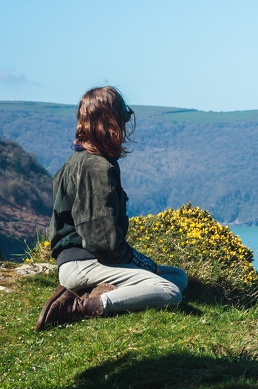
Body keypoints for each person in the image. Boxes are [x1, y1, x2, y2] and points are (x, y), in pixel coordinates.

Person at [36, 86, 187, 330]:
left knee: (178, 276)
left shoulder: (77, 161)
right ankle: (76, 307)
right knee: (168, 290)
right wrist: (142, 263)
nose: (125, 124)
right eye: (121, 117)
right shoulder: (96, 167)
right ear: (111, 122)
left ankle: (99, 291)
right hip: (86, 263)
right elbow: (102, 241)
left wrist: (145, 265)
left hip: (82, 262)